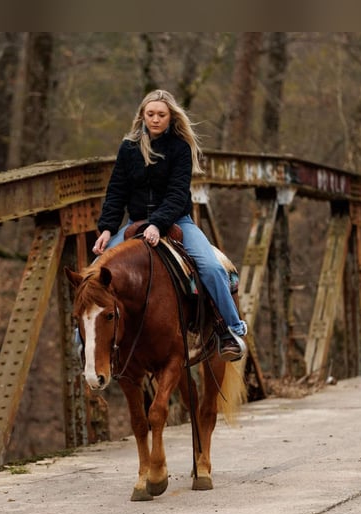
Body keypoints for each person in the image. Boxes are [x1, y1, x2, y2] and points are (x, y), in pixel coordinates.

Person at [92, 89, 247, 361]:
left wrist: (158, 224)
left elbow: (177, 193)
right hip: (135, 222)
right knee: (94, 274)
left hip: (177, 221)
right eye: (150, 114)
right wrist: (106, 228)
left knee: (211, 268)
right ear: (142, 115)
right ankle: (84, 342)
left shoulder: (180, 147)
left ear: (170, 117)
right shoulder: (128, 148)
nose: (155, 119)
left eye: (161, 115)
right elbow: (116, 191)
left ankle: (230, 331)